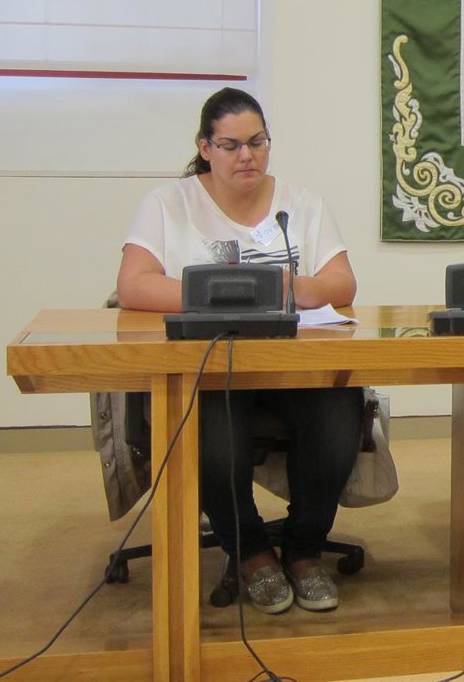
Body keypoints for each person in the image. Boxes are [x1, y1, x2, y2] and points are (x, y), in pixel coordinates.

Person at [116, 87, 362, 613]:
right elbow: (133, 285)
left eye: (258, 142)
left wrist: (292, 287)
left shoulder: (302, 205)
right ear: (205, 147)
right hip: (208, 370)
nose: (246, 155)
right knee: (211, 429)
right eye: (231, 146)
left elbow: (342, 283)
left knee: (340, 413)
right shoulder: (168, 204)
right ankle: (250, 551)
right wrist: (226, 293)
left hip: (292, 367)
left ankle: (304, 550)